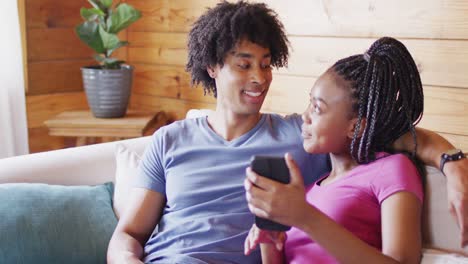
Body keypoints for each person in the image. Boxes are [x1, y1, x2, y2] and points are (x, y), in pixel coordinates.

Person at [107, 2, 468, 263]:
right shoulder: (169, 140)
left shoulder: (304, 136)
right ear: (213, 67)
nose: (259, 78)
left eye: (265, 65)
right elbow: (129, 233)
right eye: (244, 65)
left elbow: (389, 131)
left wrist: (453, 163)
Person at [244, 37, 426, 263]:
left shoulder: (392, 169)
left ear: (356, 126)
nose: (305, 116)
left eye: (318, 108)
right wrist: (269, 241)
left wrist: (306, 217)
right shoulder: (309, 191)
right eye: (309, 103)